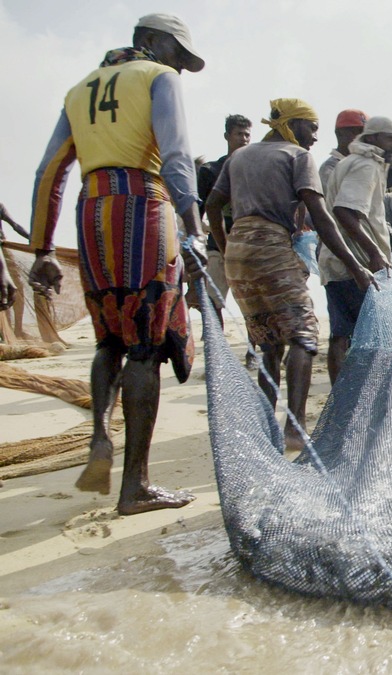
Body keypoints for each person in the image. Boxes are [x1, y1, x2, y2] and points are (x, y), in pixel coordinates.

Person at [26, 13, 207, 514]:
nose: (181, 68)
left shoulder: (78, 89)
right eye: (178, 53)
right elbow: (176, 156)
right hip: (143, 206)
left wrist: (43, 247)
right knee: (146, 347)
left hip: (93, 210)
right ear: (150, 42)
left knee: (110, 337)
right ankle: (136, 487)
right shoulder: (157, 77)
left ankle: (101, 437)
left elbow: (48, 172)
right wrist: (194, 229)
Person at [205, 99, 381, 451]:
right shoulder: (296, 156)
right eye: (311, 127)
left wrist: (227, 251)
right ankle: (295, 427)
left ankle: (264, 426)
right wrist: (356, 265)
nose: (315, 136)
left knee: (269, 341)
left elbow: (212, 205)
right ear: (292, 123)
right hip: (271, 242)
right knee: (303, 336)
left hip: (239, 247)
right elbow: (321, 213)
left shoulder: (240, 156)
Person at [319, 115, 392, 384]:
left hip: (335, 262)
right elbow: (345, 211)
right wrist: (374, 254)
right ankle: (375, 398)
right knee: (381, 338)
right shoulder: (367, 164)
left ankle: (340, 399)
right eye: (390, 138)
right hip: (358, 266)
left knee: (341, 334)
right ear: (373, 137)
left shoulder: (347, 162)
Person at [192, 114, 252, 325]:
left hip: (248, 246)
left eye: (247, 135)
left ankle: (253, 351)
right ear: (227, 136)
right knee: (212, 301)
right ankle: (218, 346)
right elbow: (198, 211)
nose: (243, 139)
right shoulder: (211, 171)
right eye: (239, 134)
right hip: (217, 246)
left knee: (252, 303)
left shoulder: (253, 170)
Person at [320, 109, 367, 191]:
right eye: (357, 132)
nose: (361, 138)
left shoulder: (365, 164)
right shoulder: (330, 168)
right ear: (340, 133)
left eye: (365, 133)